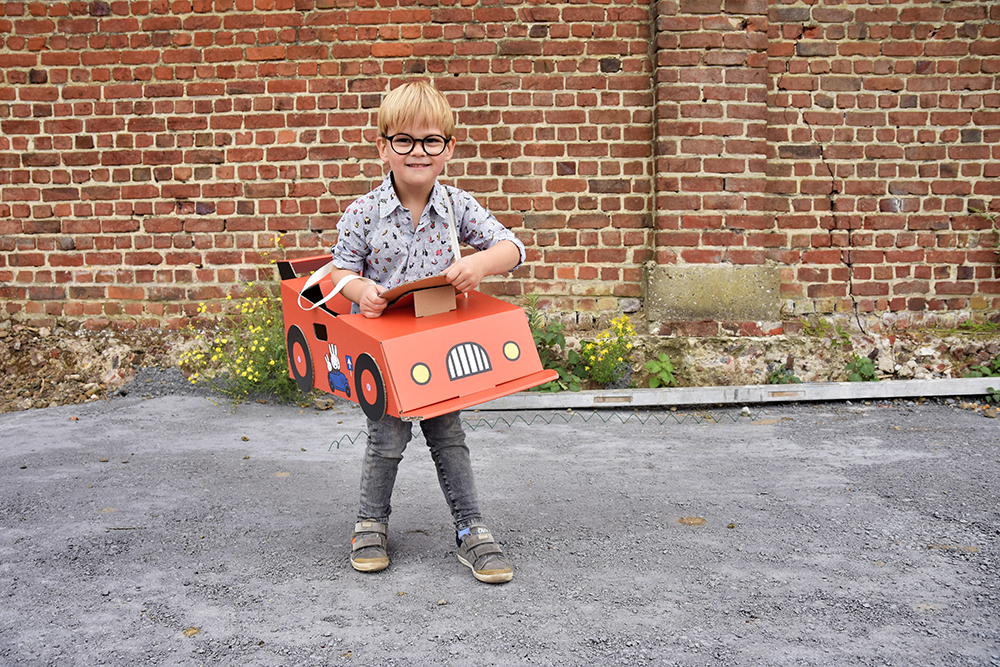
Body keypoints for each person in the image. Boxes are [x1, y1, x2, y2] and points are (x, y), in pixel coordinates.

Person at [326, 81, 525, 584]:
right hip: (385, 349)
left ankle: (470, 530)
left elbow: (512, 248)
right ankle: (369, 524)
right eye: (404, 141)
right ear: (382, 147)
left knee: (448, 435)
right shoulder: (363, 213)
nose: (418, 152)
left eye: (431, 140)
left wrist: (478, 264)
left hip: (437, 347)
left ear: (449, 148)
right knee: (386, 439)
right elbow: (335, 273)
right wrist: (359, 289)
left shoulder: (457, 207)